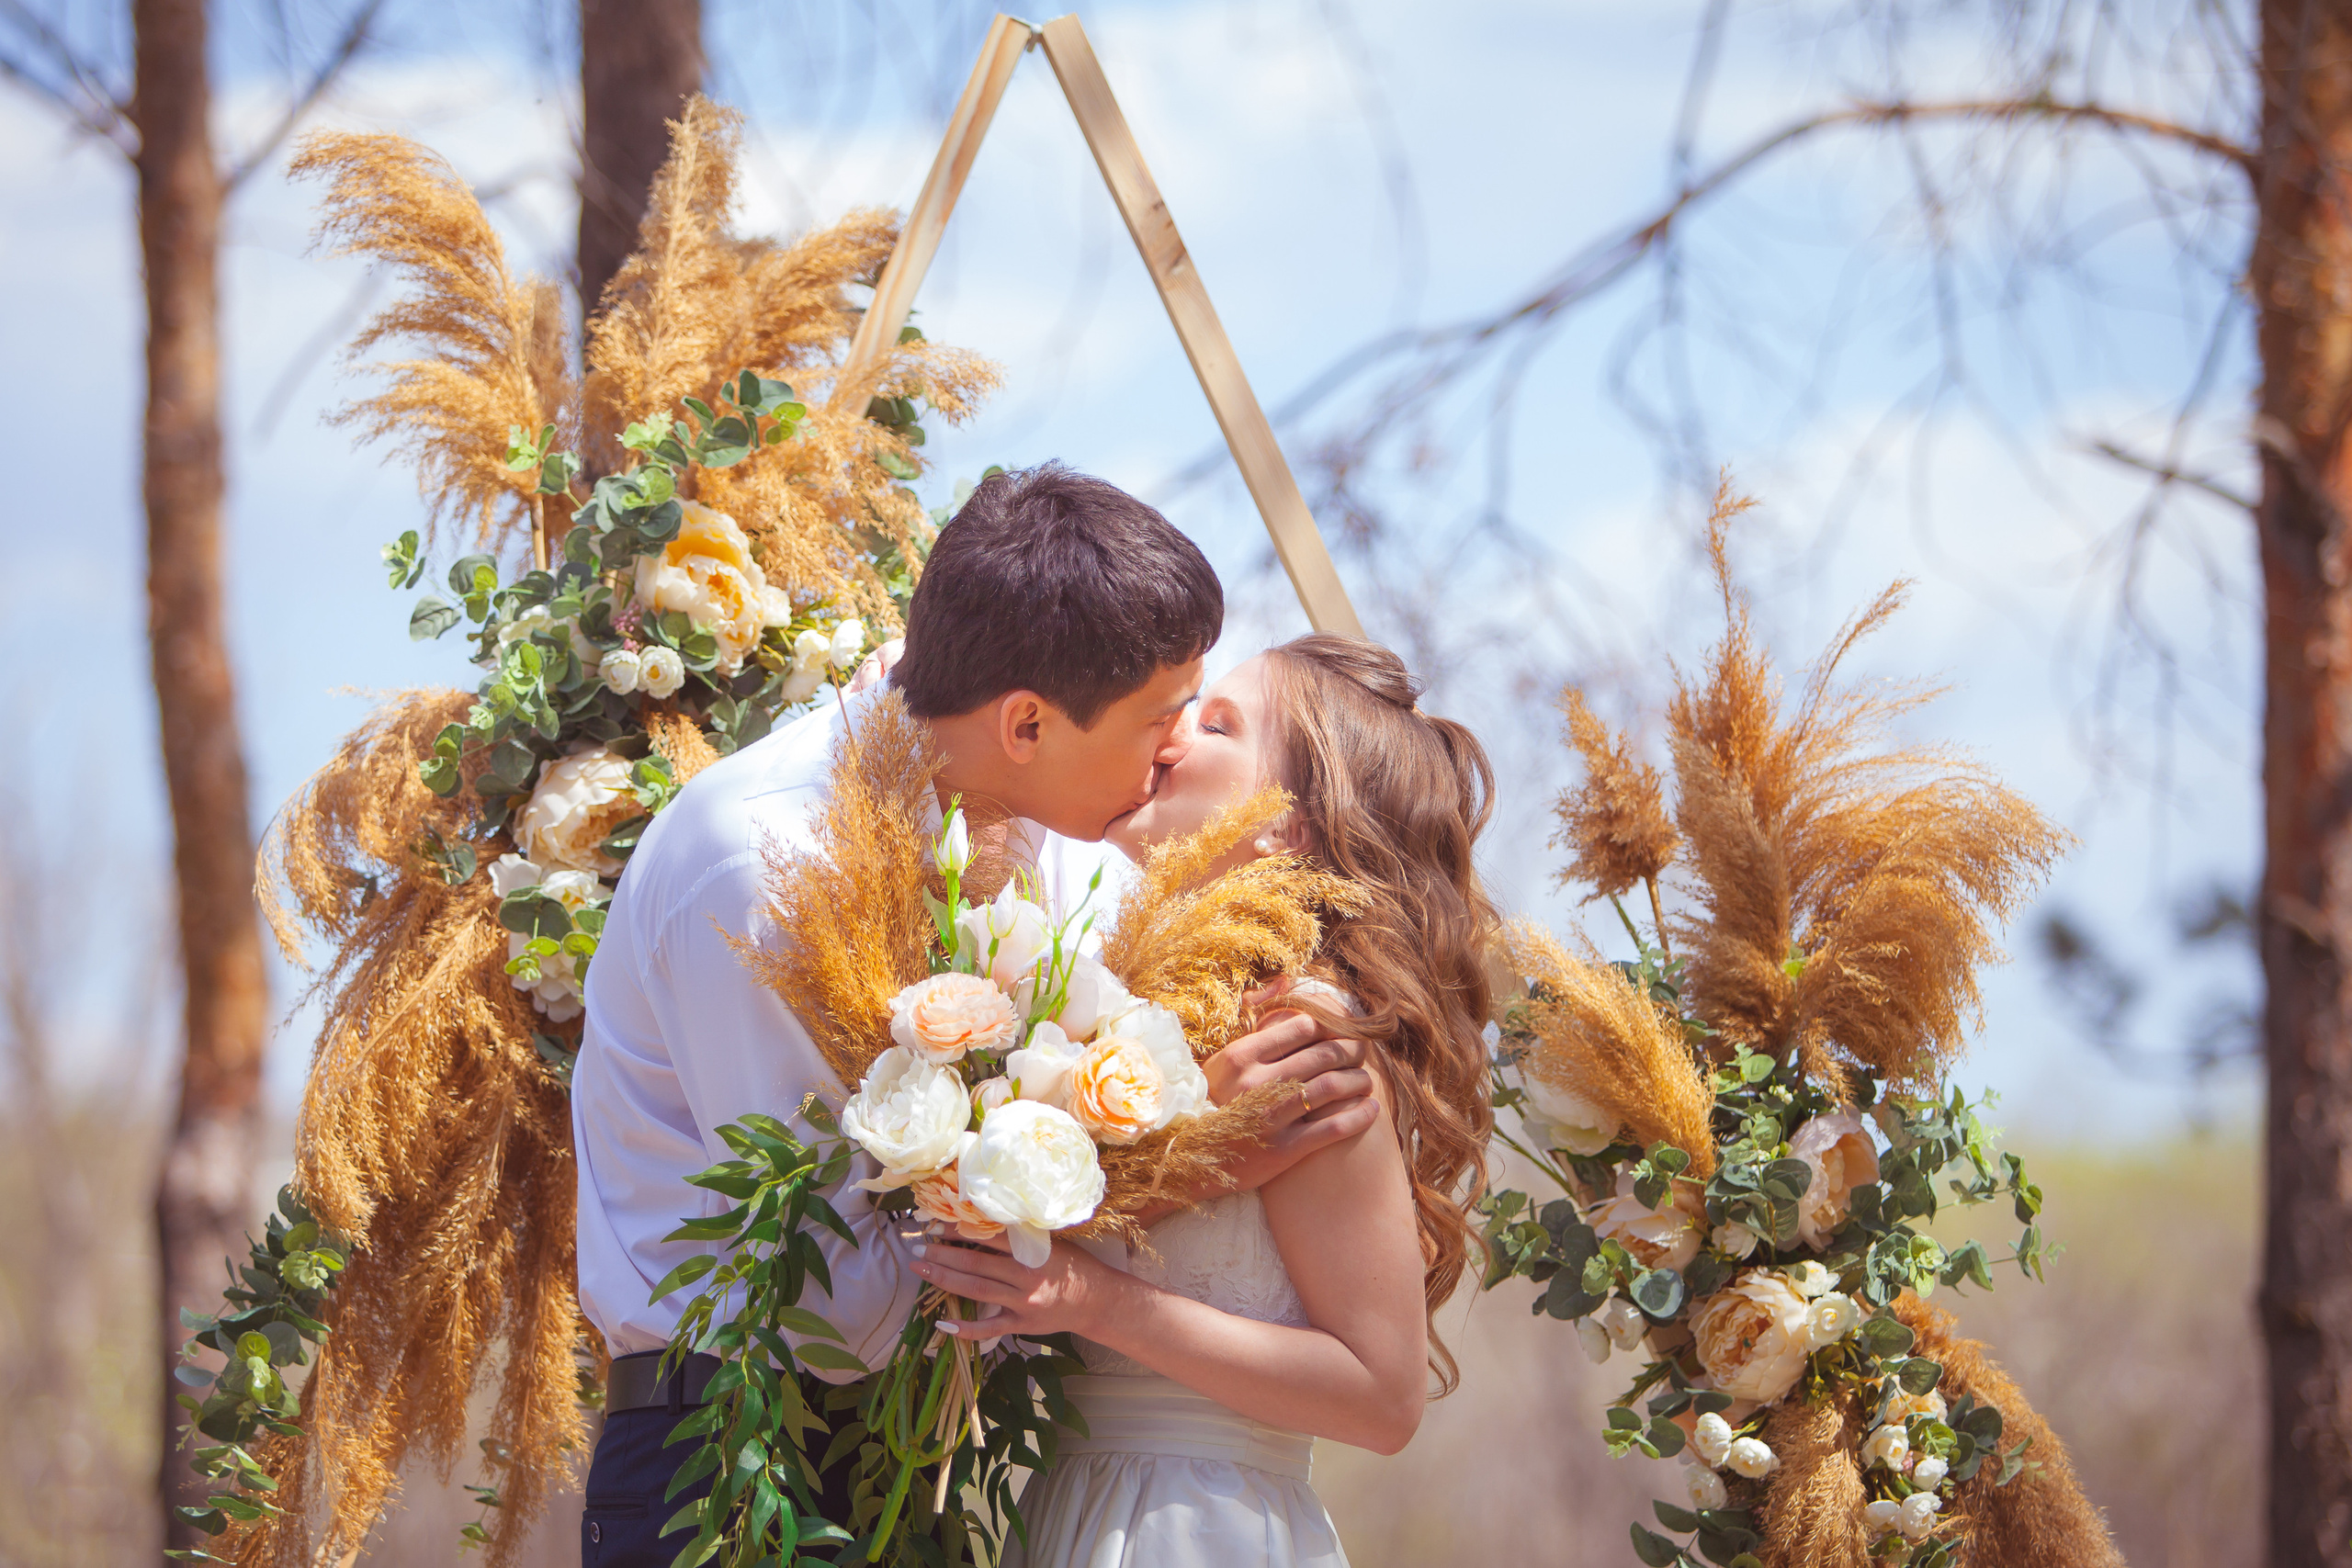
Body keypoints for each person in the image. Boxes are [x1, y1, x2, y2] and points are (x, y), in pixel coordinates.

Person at [570, 468, 1383, 1566]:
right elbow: (842, 1303)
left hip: (925, 1466)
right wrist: (1176, 1169)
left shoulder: (1041, 831)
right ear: (1027, 721)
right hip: (727, 1465)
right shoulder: (766, 863)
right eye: (1158, 714)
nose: (1174, 746)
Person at [911, 634, 1498, 1568]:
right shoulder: (1137, 1011)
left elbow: (1381, 1397)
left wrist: (1094, 1302)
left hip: (1197, 1526)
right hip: (1073, 1508)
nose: (1173, 736)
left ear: (1288, 829)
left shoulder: (1306, 1036)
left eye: (1217, 724)